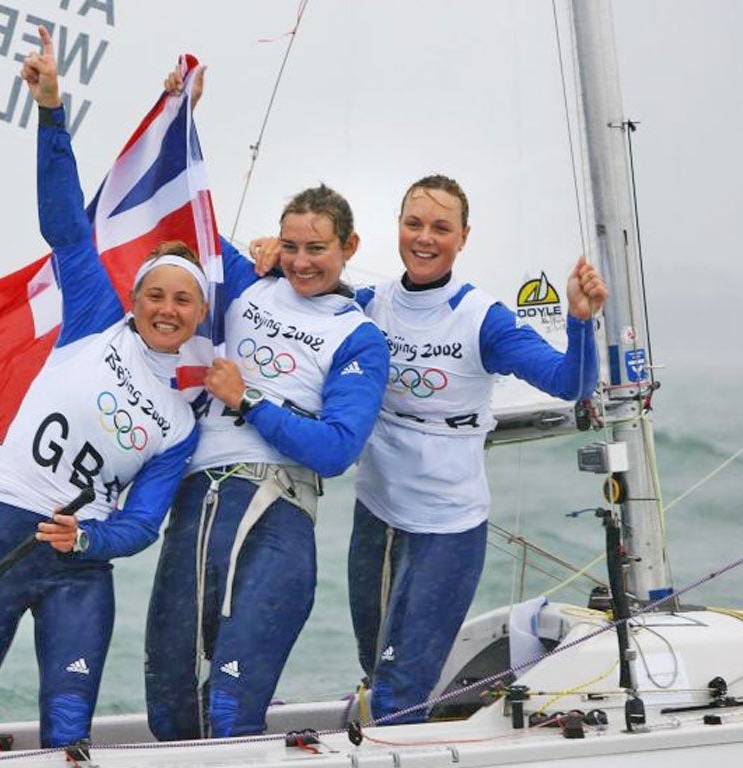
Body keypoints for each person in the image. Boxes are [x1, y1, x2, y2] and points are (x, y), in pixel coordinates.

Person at [0, 27, 208, 754]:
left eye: (185, 302)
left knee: (69, 738)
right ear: (136, 299)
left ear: (200, 316)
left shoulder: (178, 419)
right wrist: (51, 109)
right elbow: (65, 224)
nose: (168, 310)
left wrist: (88, 538)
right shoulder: (94, 318)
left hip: (79, 572)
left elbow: (141, 524)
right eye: (157, 295)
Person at [255, 174, 608, 724]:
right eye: (413, 223)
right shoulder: (368, 305)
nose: (424, 237)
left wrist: (580, 321)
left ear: (462, 238)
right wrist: (271, 256)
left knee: (401, 692)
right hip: (377, 515)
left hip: (447, 527)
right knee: (376, 669)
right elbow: (304, 282)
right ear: (397, 228)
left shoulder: (481, 319)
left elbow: (571, 383)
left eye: (440, 228)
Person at [143, 72, 390, 741]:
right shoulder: (247, 284)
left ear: (349, 249)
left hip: (278, 514)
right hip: (197, 505)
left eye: (318, 248)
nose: (303, 261)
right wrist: (178, 118)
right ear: (275, 244)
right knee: (168, 706)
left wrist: (246, 398)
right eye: (292, 246)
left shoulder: (357, 335)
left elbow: (337, 449)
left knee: (228, 712)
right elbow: (179, 214)